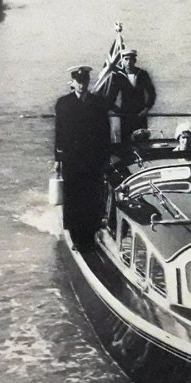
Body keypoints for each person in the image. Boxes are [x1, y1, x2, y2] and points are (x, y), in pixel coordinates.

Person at [54, 65, 112, 247]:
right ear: (73, 83)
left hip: (92, 158)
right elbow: (59, 132)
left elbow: (104, 131)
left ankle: (90, 232)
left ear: (88, 82)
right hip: (72, 158)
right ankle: (75, 234)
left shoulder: (98, 103)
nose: (82, 85)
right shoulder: (63, 103)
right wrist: (58, 158)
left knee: (92, 194)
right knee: (73, 195)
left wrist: (105, 156)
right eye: (78, 82)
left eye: (85, 81)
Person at [108, 49, 156, 143]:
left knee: (142, 140)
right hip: (126, 116)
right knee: (126, 141)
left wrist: (146, 109)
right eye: (126, 59)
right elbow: (110, 97)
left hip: (140, 114)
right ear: (122, 60)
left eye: (131, 59)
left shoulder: (142, 74)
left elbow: (152, 93)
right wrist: (119, 111)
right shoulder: (118, 76)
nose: (129, 62)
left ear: (135, 60)